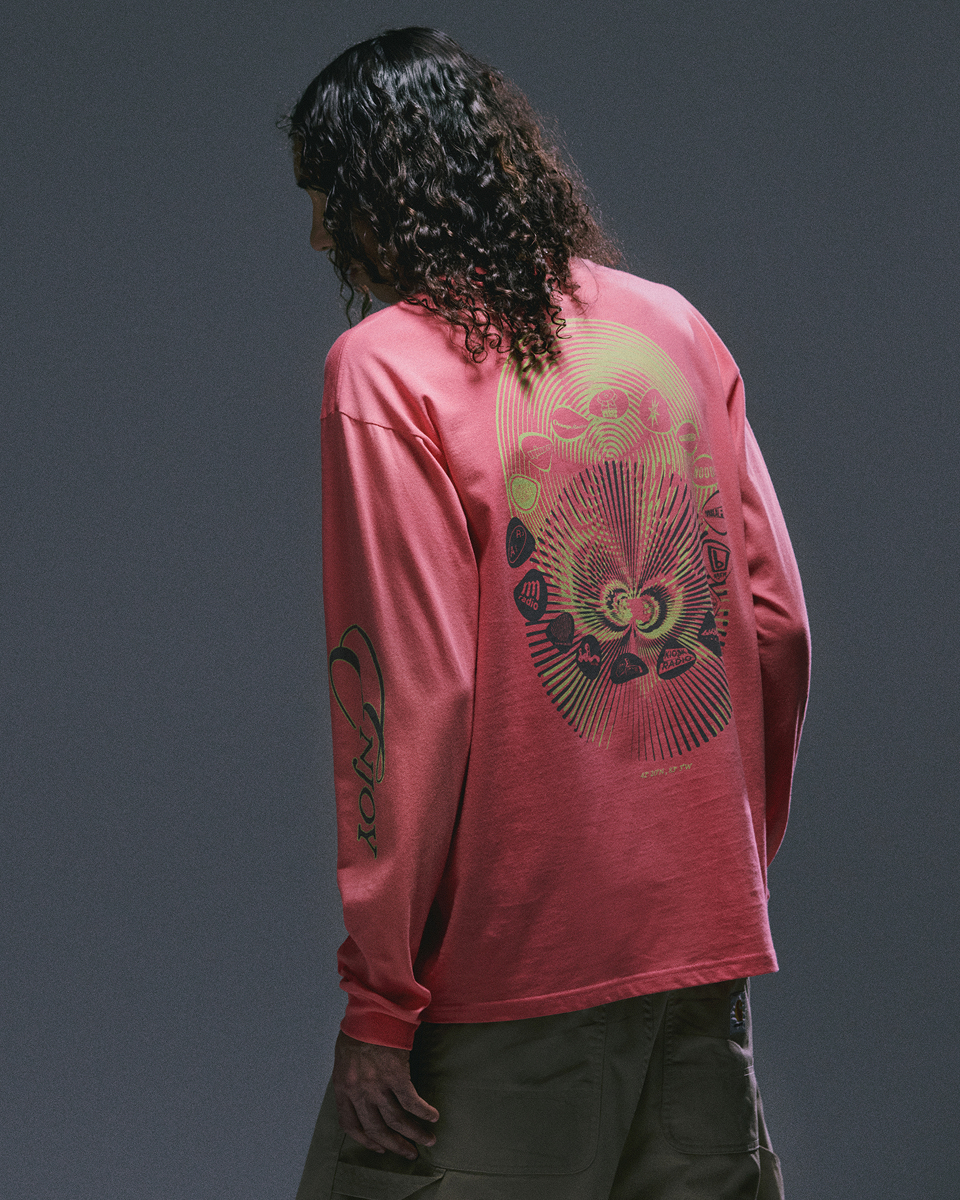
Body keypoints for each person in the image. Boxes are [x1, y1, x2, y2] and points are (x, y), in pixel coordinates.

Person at [285, 26, 810, 1200]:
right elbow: (776, 624)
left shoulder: (383, 368)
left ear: (387, 188)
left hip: (504, 978)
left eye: (325, 194)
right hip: (695, 955)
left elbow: (412, 696)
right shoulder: (674, 328)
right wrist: (714, 869)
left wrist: (382, 998)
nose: (318, 233)